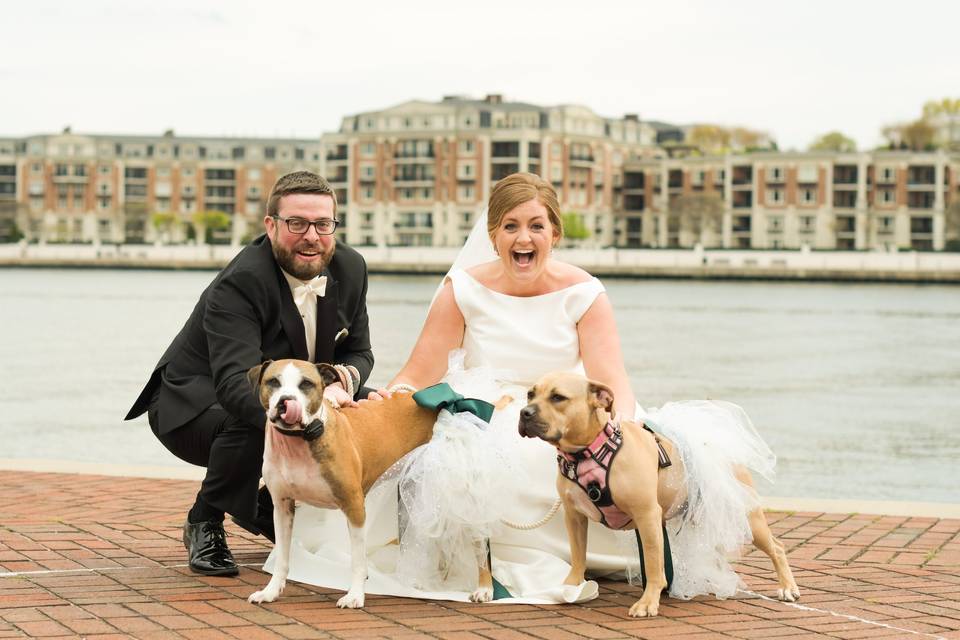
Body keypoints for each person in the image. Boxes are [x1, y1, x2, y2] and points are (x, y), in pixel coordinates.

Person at [266, 172, 775, 603]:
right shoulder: (463, 289)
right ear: (493, 233)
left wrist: (623, 422)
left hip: (561, 410)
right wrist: (390, 396)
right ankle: (486, 568)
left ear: (555, 232)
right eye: (510, 226)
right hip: (480, 406)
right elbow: (420, 370)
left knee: (580, 457)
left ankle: (590, 551)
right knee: (460, 459)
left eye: (536, 226)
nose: (522, 238)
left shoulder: (583, 292)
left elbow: (609, 375)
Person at [125, 171, 373, 577]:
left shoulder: (352, 267)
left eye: (322, 224)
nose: (311, 235)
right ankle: (204, 521)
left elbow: (359, 351)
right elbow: (234, 384)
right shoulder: (241, 281)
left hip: (295, 391)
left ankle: (262, 508)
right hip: (192, 403)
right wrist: (305, 419)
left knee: (373, 410)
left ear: (334, 225)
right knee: (252, 424)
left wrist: (343, 384)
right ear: (271, 226)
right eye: (297, 223)